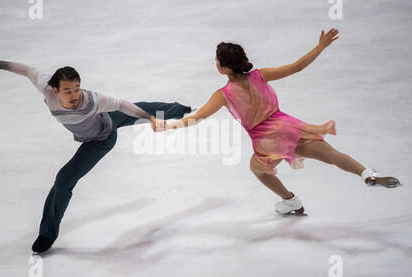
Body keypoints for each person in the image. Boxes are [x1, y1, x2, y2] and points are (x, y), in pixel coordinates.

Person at [162, 28, 400, 215]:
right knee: (332, 156)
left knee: (258, 170)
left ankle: (291, 201)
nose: (215, 63)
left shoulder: (222, 94)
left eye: (216, 60)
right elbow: (297, 67)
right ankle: (366, 173)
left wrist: (166, 125)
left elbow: (197, 119)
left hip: (266, 141)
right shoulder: (260, 75)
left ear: (223, 67)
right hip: (289, 127)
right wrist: (321, 46)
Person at [0, 53, 192, 254]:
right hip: (99, 126)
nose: (74, 95)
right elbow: (29, 70)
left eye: (77, 88)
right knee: (133, 111)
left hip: (101, 139)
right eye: (68, 90)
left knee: (64, 179)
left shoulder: (92, 101)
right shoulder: (47, 88)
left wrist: (150, 118)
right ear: (56, 90)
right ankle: (175, 108)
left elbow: (122, 103)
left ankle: (46, 234)